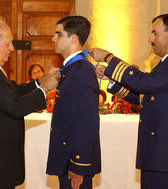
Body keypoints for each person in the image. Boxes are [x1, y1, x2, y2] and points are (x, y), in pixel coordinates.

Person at [90, 13, 168, 189]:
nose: (151, 38)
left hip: (166, 156)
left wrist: (109, 58)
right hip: (156, 156)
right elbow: (143, 97)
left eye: (155, 33)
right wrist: (112, 82)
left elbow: (142, 83)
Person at [0, 18, 60, 189]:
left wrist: (39, 81)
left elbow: (12, 89)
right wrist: (44, 90)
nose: (12, 48)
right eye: (8, 43)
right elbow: (15, 106)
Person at [46, 16, 101, 189]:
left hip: (74, 162)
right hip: (67, 156)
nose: (53, 38)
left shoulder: (80, 71)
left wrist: (79, 164)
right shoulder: (72, 68)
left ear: (73, 39)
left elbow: (87, 122)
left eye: (58, 34)